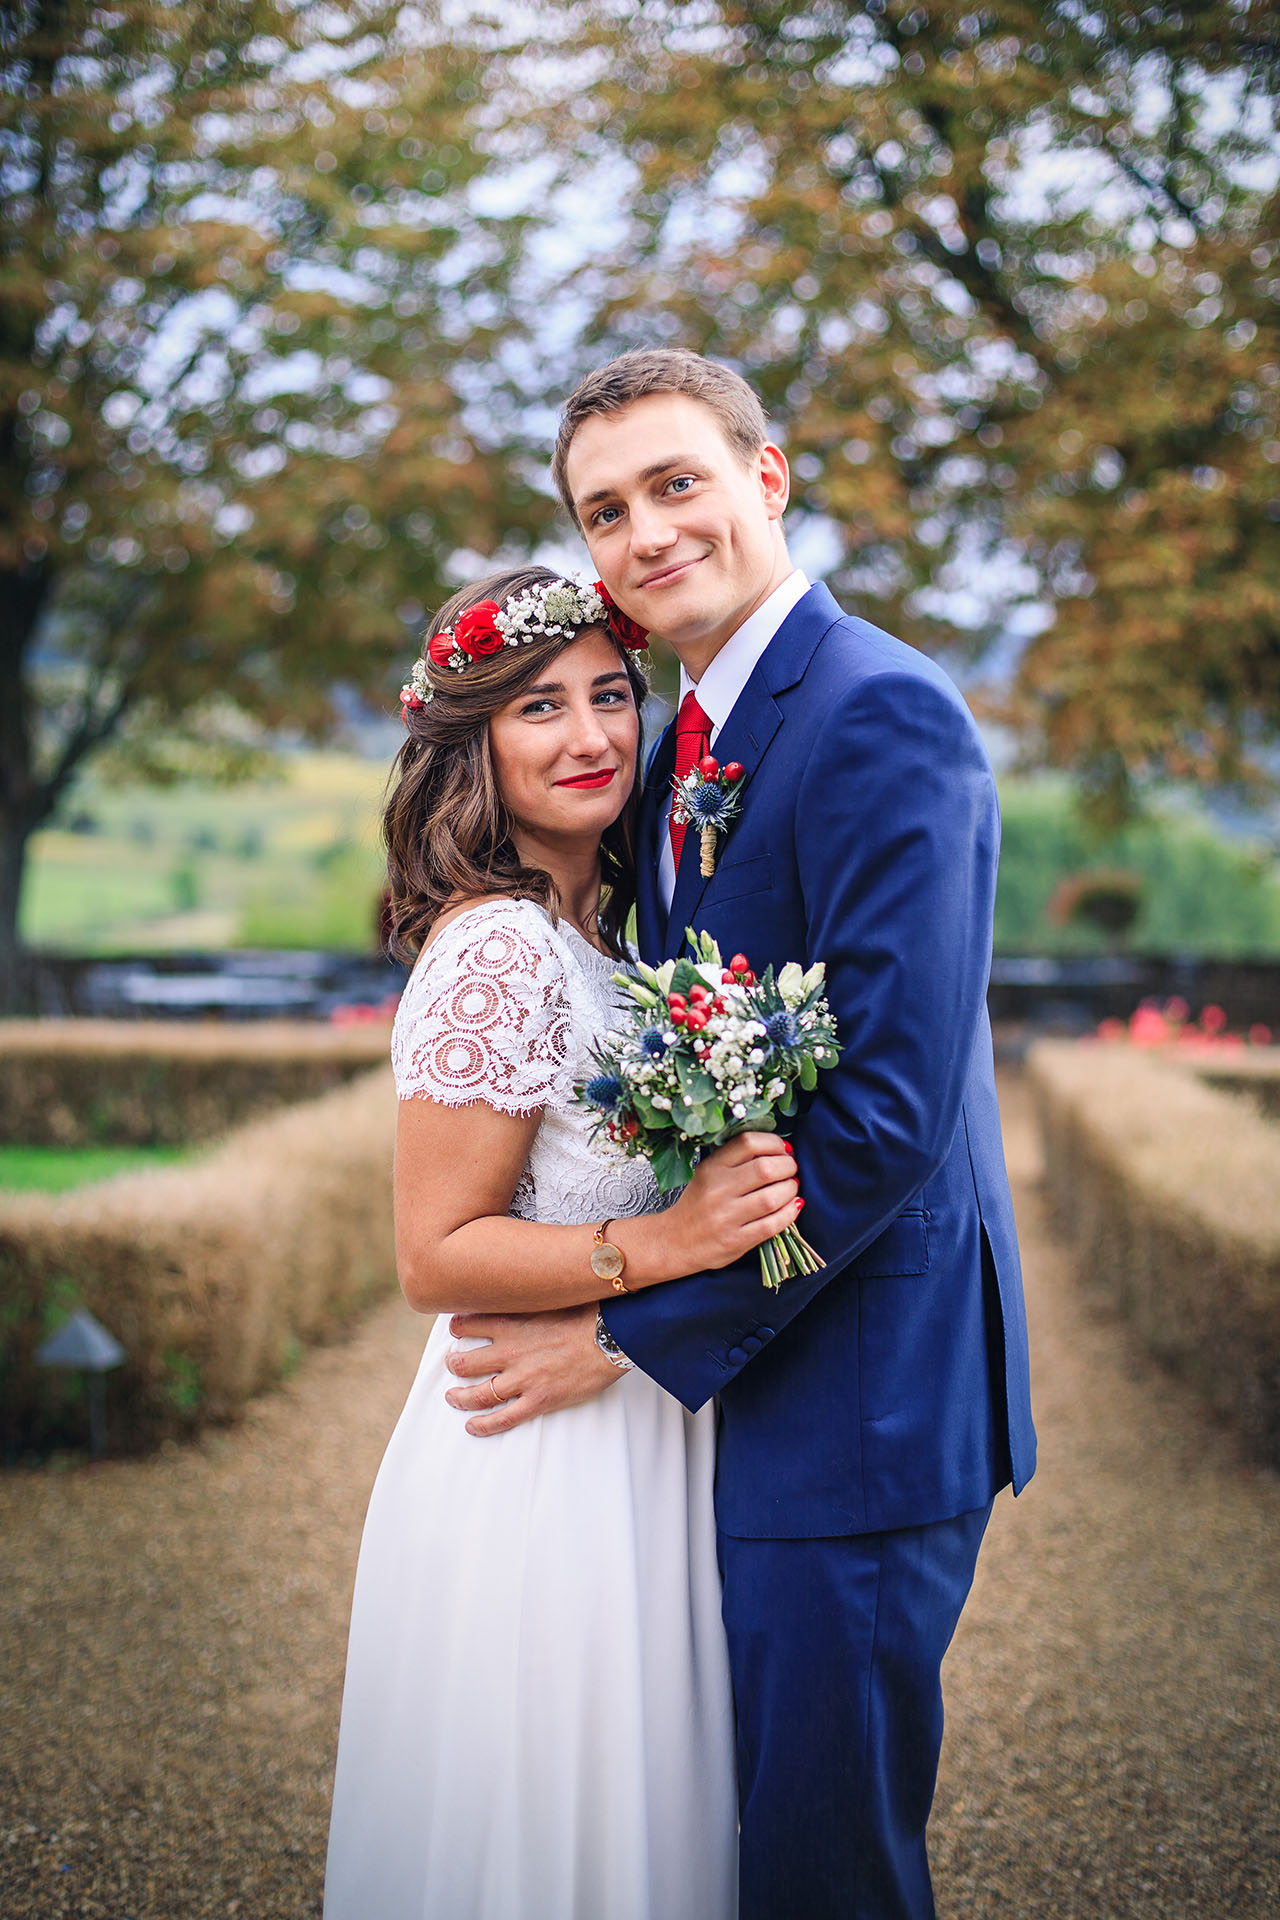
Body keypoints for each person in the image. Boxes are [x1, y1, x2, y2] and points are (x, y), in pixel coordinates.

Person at [442, 350, 1038, 1920]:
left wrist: (630, 1335)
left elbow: (892, 1116)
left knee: (818, 1865)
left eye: (676, 483)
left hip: (861, 1402)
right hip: (761, 1395)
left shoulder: (878, 711)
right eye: (606, 510)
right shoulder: (692, 731)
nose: (646, 532)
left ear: (766, 478)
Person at [322, 565, 800, 1920]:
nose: (591, 736)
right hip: (538, 1456)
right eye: (541, 707)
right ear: (473, 744)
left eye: (610, 696)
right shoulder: (501, 956)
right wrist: (668, 1244)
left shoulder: (599, 939)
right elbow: (436, 1252)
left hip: (632, 1422)